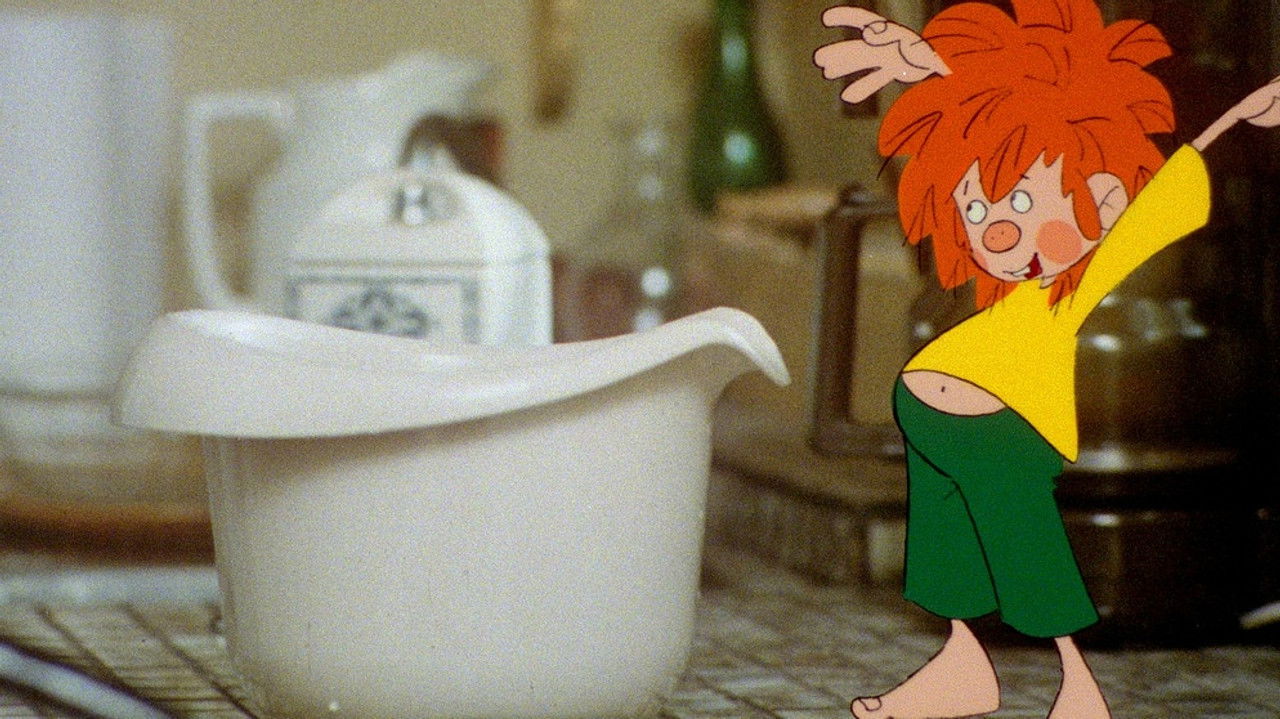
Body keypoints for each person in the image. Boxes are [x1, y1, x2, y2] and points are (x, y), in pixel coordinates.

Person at [813, 1, 1280, 717]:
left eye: (1028, 200)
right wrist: (928, 66)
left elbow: (1167, 193)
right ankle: (963, 666)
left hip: (1004, 424)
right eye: (978, 206)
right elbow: (991, 114)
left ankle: (1078, 687)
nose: (998, 228)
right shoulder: (991, 290)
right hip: (935, 419)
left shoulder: (1089, 274)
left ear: (1106, 197)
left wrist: (1239, 117)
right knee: (949, 552)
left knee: (1027, 547)